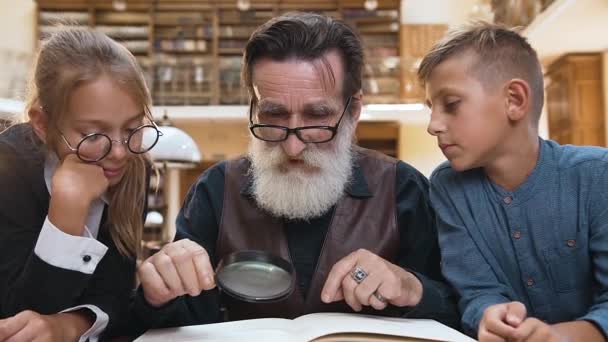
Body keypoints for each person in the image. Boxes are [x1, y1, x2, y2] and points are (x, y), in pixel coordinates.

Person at [133, 12, 460, 330]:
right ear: (254, 106)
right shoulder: (216, 190)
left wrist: (412, 288)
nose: (293, 148)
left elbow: (458, 313)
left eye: (317, 117)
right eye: (273, 115)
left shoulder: (403, 188)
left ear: (354, 110)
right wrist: (156, 295)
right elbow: (180, 322)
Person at [419, 22, 608, 341]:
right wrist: (489, 315)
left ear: (515, 100)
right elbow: (476, 292)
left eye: (451, 105)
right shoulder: (447, 186)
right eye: (431, 109)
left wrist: (557, 337)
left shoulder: (597, 174)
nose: (433, 125)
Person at [0, 28, 160, 341]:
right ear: (43, 125)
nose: (119, 152)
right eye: (93, 134)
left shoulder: (136, 170)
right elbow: (15, 316)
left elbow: (115, 295)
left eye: (133, 128)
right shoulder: (8, 168)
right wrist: (66, 213)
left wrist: (69, 326)